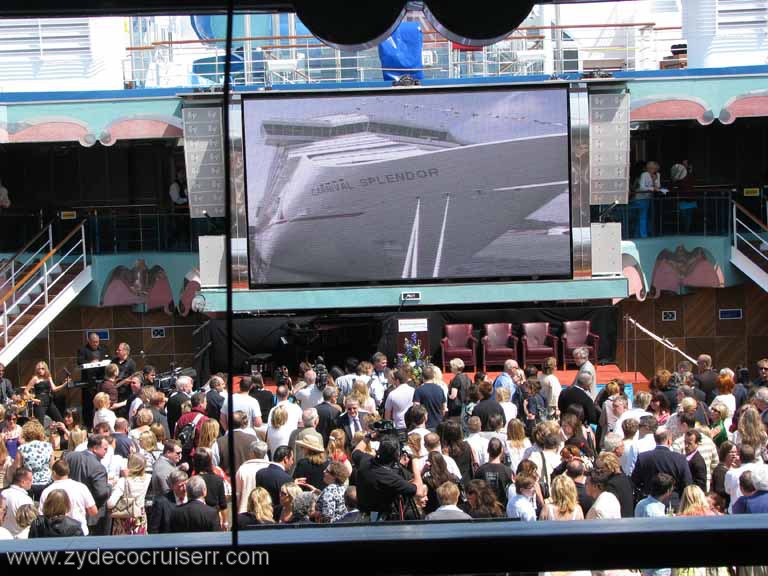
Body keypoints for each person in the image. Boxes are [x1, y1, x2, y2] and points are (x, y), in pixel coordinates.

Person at [353, 435, 425, 521]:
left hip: (363, 518)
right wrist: (414, 462)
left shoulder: (365, 461)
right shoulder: (390, 477)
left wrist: (368, 437)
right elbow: (419, 492)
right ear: (397, 455)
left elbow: (356, 452)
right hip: (382, 522)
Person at [632, 428, 692, 510]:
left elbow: (635, 481)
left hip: (649, 503)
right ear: (669, 441)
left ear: (655, 440)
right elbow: (687, 483)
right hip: (673, 503)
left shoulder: (643, 457)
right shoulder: (679, 459)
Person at [64, 434, 112, 535]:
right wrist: (109, 486)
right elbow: (101, 493)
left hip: (68, 511)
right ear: (95, 448)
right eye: (105, 449)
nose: (106, 452)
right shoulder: (98, 467)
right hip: (90, 515)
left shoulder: (70, 456)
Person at [39, 459, 97, 536]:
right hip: (80, 532)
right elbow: (93, 511)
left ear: (53, 472)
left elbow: (41, 514)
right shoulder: (81, 487)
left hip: (55, 534)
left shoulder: (47, 491)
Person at [106, 453, 151, 535]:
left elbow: (110, 503)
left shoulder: (123, 481)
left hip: (124, 516)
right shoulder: (147, 479)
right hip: (139, 515)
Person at [15, 420, 53, 500]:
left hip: (30, 483)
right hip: (47, 482)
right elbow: (52, 466)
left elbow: (18, 468)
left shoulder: (22, 448)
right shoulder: (48, 446)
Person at [474, 437, 513, 506]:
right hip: (502, 511)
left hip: (484, 510)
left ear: (488, 450)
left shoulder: (480, 471)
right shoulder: (508, 471)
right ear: (501, 450)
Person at [147, 469, 188, 534]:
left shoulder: (192, 498)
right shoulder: (161, 503)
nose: (185, 488)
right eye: (181, 486)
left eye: (186, 484)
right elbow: (153, 529)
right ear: (172, 486)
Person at [256, 445, 294, 513]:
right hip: (276, 517)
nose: (292, 462)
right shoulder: (286, 478)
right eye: (292, 459)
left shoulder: (260, 473)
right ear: (286, 459)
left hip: (260, 513)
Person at [631, 160, 660, 238]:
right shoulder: (644, 174)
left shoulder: (657, 175)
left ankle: (637, 235)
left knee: (642, 217)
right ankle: (644, 235)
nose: (654, 170)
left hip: (648, 198)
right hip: (640, 198)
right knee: (643, 216)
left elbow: (658, 186)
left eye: (655, 169)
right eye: (652, 169)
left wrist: (654, 180)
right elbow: (642, 187)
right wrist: (652, 188)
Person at [1, 467, 33, 536]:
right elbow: (30, 522)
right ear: (23, 482)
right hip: (20, 538)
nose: (32, 483)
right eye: (30, 480)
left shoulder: (3, 494)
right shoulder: (26, 500)